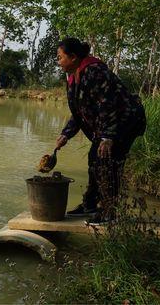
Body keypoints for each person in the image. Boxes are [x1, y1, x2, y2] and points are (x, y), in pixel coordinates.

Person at [55, 37, 146, 225]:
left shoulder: (95, 71)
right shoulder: (75, 77)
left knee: (107, 162)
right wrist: (66, 134)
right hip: (110, 124)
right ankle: (90, 205)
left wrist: (107, 136)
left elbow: (108, 104)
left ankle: (109, 212)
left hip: (125, 122)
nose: (58, 62)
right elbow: (81, 111)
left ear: (73, 57)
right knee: (94, 159)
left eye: (60, 57)